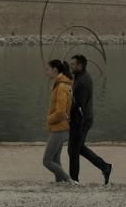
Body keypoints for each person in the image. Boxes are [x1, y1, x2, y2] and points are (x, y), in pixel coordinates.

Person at [67, 54, 113, 185]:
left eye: (73, 64)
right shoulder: (80, 77)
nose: (71, 66)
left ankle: (74, 180)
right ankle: (105, 167)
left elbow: (78, 105)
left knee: (73, 150)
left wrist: (69, 117)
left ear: (80, 66)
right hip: (82, 119)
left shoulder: (82, 81)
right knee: (77, 148)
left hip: (81, 121)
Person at [43, 59, 74, 183]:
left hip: (59, 128)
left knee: (47, 161)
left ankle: (68, 181)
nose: (46, 72)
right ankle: (59, 183)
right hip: (61, 127)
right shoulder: (61, 84)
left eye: (48, 69)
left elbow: (61, 112)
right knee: (55, 159)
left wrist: (49, 119)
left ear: (55, 70)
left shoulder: (61, 87)